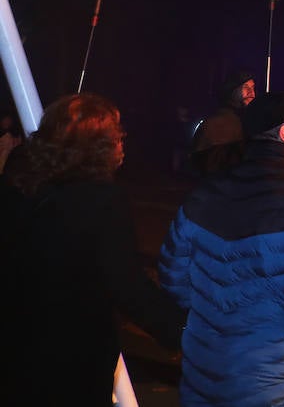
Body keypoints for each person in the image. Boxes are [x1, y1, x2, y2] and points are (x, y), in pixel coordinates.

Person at [159, 91, 284, 407]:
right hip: (281, 384)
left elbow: (173, 277)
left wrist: (211, 324)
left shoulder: (204, 195)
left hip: (208, 373)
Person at [0, 94, 186, 406]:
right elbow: (126, 285)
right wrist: (181, 329)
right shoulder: (100, 200)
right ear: (98, 145)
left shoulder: (16, 190)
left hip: (15, 345)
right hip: (71, 352)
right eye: (117, 136)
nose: (122, 143)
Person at [188, 69, 256, 176]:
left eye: (253, 87)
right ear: (232, 91)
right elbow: (203, 164)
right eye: (246, 87)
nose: (252, 93)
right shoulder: (215, 123)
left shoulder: (251, 120)